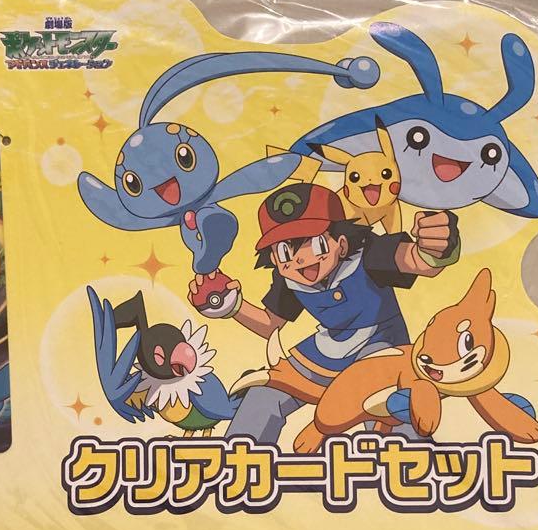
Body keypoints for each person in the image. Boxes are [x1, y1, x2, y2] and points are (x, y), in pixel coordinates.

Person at [188, 182, 460, 444]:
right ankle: (238, 463)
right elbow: (270, 323)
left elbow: (418, 261)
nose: (300, 258)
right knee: (263, 395)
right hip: (325, 352)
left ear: (341, 242)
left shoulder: (369, 253)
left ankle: (413, 463)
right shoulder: (289, 278)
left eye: (315, 244)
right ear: (273, 258)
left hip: (381, 349)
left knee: (390, 406)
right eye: (284, 251)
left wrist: (437, 245)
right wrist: (230, 305)